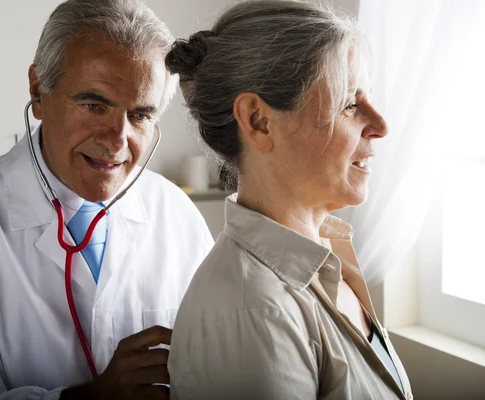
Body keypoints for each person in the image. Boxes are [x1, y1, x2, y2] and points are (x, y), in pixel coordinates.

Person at [0, 1, 214, 399]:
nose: (117, 141)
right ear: (39, 90)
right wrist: (93, 397)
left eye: (141, 116)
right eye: (94, 105)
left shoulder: (177, 217)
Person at [165, 1, 413, 399]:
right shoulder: (253, 314)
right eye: (349, 103)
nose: (380, 125)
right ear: (259, 121)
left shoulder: (327, 262)